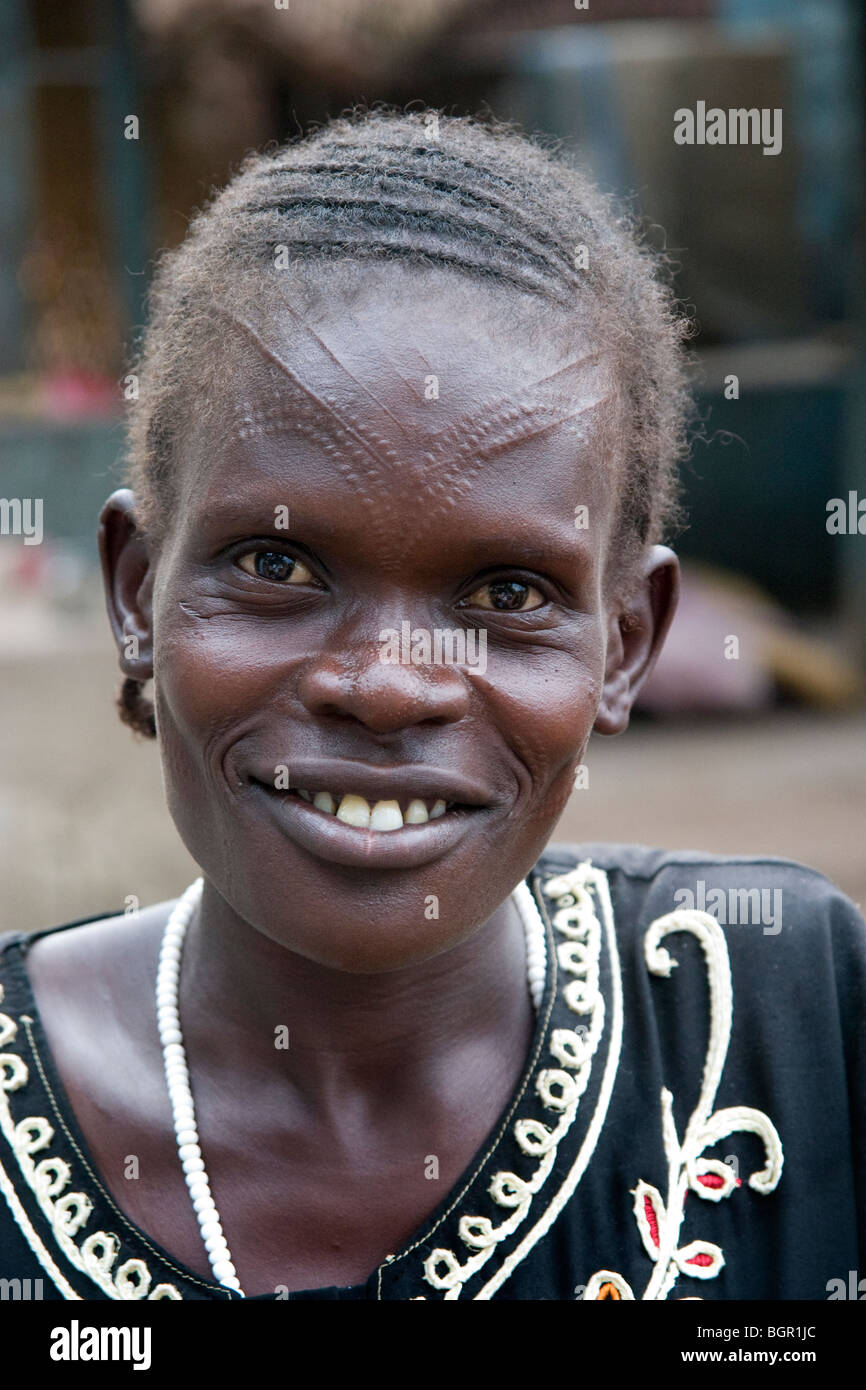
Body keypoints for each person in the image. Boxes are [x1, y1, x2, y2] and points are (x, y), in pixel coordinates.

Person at [1, 110, 863, 1302]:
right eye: (276, 566)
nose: (388, 682)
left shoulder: (783, 1019)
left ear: (624, 648)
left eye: (507, 592)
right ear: (137, 592)